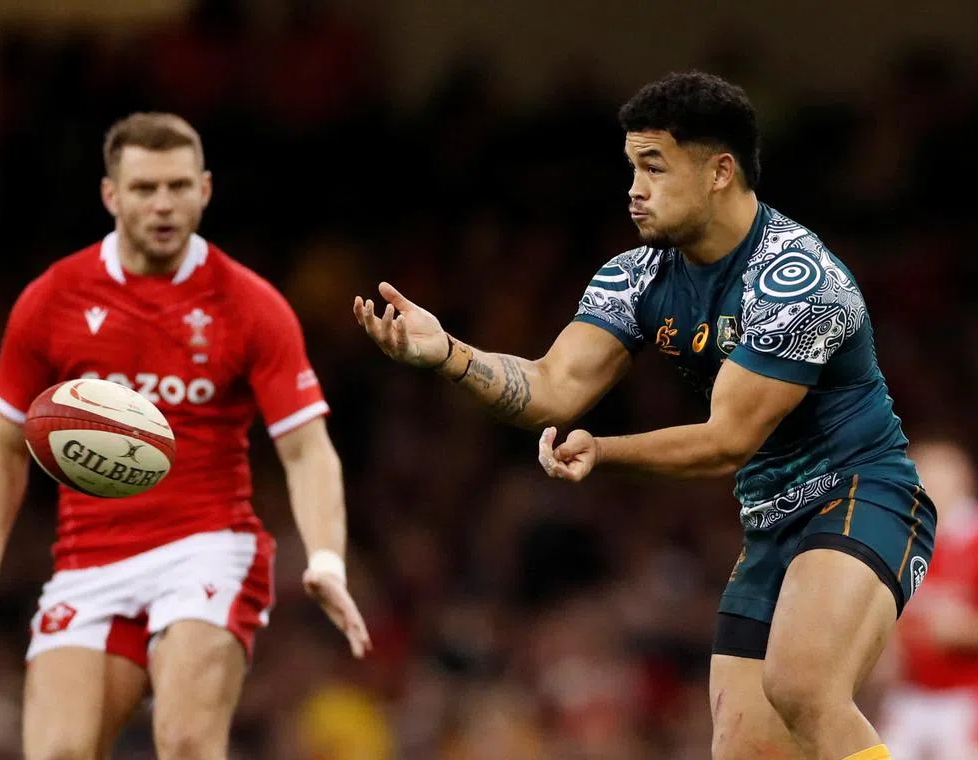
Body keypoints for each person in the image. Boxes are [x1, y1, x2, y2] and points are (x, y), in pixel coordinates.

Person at [354, 70, 934, 760]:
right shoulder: (638, 276)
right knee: (745, 749)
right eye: (632, 167)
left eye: (654, 168)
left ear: (720, 172)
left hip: (863, 496)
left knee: (802, 687)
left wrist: (604, 451)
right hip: (769, 520)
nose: (634, 188)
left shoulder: (799, 283)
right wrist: (449, 353)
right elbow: (552, 387)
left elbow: (727, 441)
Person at [0, 112, 371, 760]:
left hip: (207, 549)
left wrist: (327, 559)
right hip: (88, 560)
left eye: (178, 186)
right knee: (58, 753)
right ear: (111, 195)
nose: (163, 204)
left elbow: (307, 449)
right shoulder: (53, 298)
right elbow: (4, 445)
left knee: (186, 741)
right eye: (144, 188)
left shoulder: (251, 304)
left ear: (205, 190)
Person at [879, 439, 978, 759]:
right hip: (911, 692)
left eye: (937, 478)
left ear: (965, 482)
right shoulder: (902, 537)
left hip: (974, 695)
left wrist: (967, 629)